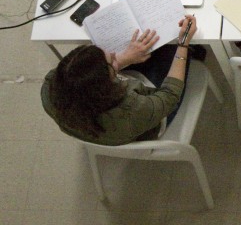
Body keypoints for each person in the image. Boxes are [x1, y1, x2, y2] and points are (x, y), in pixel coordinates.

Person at [41, 16, 199, 146]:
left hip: (111, 126)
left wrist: (124, 59)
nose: (115, 53)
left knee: (151, 49)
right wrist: (184, 42)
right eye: (112, 60)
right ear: (106, 86)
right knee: (171, 49)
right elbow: (170, 95)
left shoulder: (51, 86)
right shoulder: (131, 109)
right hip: (149, 121)